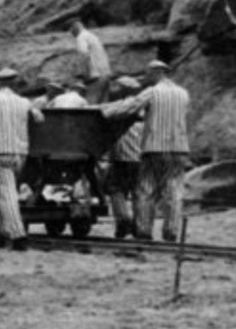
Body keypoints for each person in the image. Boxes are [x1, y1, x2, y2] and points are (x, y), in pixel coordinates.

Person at [101, 59, 190, 242]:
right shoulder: (183, 93)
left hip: (154, 148)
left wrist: (104, 112)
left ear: (157, 72)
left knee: (145, 189)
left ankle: (143, 231)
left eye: (148, 74)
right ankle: (171, 231)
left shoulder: (152, 92)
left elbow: (129, 108)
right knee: (174, 189)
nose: (146, 78)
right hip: (180, 148)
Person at [0, 68, 44, 251]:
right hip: (21, 152)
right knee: (1, 190)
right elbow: (39, 119)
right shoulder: (24, 102)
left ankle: (17, 235)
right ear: (14, 83)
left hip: (0, 151)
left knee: (6, 194)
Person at [103, 76, 144, 239]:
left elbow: (106, 114)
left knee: (115, 188)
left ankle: (123, 221)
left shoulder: (125, 105)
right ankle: (139, 225)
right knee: (137, 191)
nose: (115, 90)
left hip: (123, 156)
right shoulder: (144, 107)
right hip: (140, 157)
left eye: (118, 87)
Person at [72, 20, 111, 103]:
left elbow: (84, 55)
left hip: (95, 78)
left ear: (74, 27)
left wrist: (84, 76)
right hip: (106, 75)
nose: (71, 34)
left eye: (70, 31)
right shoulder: (93, 36)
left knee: (91, 108)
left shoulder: (81, 37)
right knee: (103, 110)